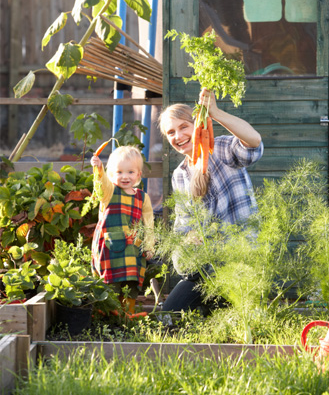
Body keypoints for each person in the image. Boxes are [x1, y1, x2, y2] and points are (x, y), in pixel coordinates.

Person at [158, 87, 263, 313]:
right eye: (171, 132)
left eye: (183, 127)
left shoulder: (222, 149)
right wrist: (187, 240)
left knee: (228, 317)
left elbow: (254, 142)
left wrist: (215, 113)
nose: (178, 136)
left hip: (240, 259)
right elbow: (182, 226)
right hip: (206, 266)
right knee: (170, 314)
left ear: (196, 124)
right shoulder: (180, 175)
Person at [90, 145, 154, 314]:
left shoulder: (142, 197)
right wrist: (98, 169)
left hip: (133, 249)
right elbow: (101, 184)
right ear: (111, 174)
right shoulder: (110, 192)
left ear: (139, 174)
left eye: (130, 172)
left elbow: (149, 223)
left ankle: (127, 315)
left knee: (131, 283)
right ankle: (109, 314)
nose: (125, 177)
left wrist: (149, 245)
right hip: (111, 249)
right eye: (119, 172)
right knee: (111, 283)